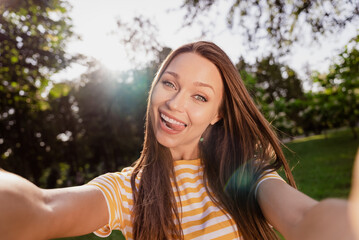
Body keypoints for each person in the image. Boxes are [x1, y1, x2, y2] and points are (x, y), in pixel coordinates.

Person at [0, 41, 358, 240]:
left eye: (199, 97)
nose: (174, 103)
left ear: (218, 113)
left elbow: (303, 217)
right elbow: (42, 209)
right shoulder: (130, 190)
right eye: (169, 83)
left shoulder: (241, 174)